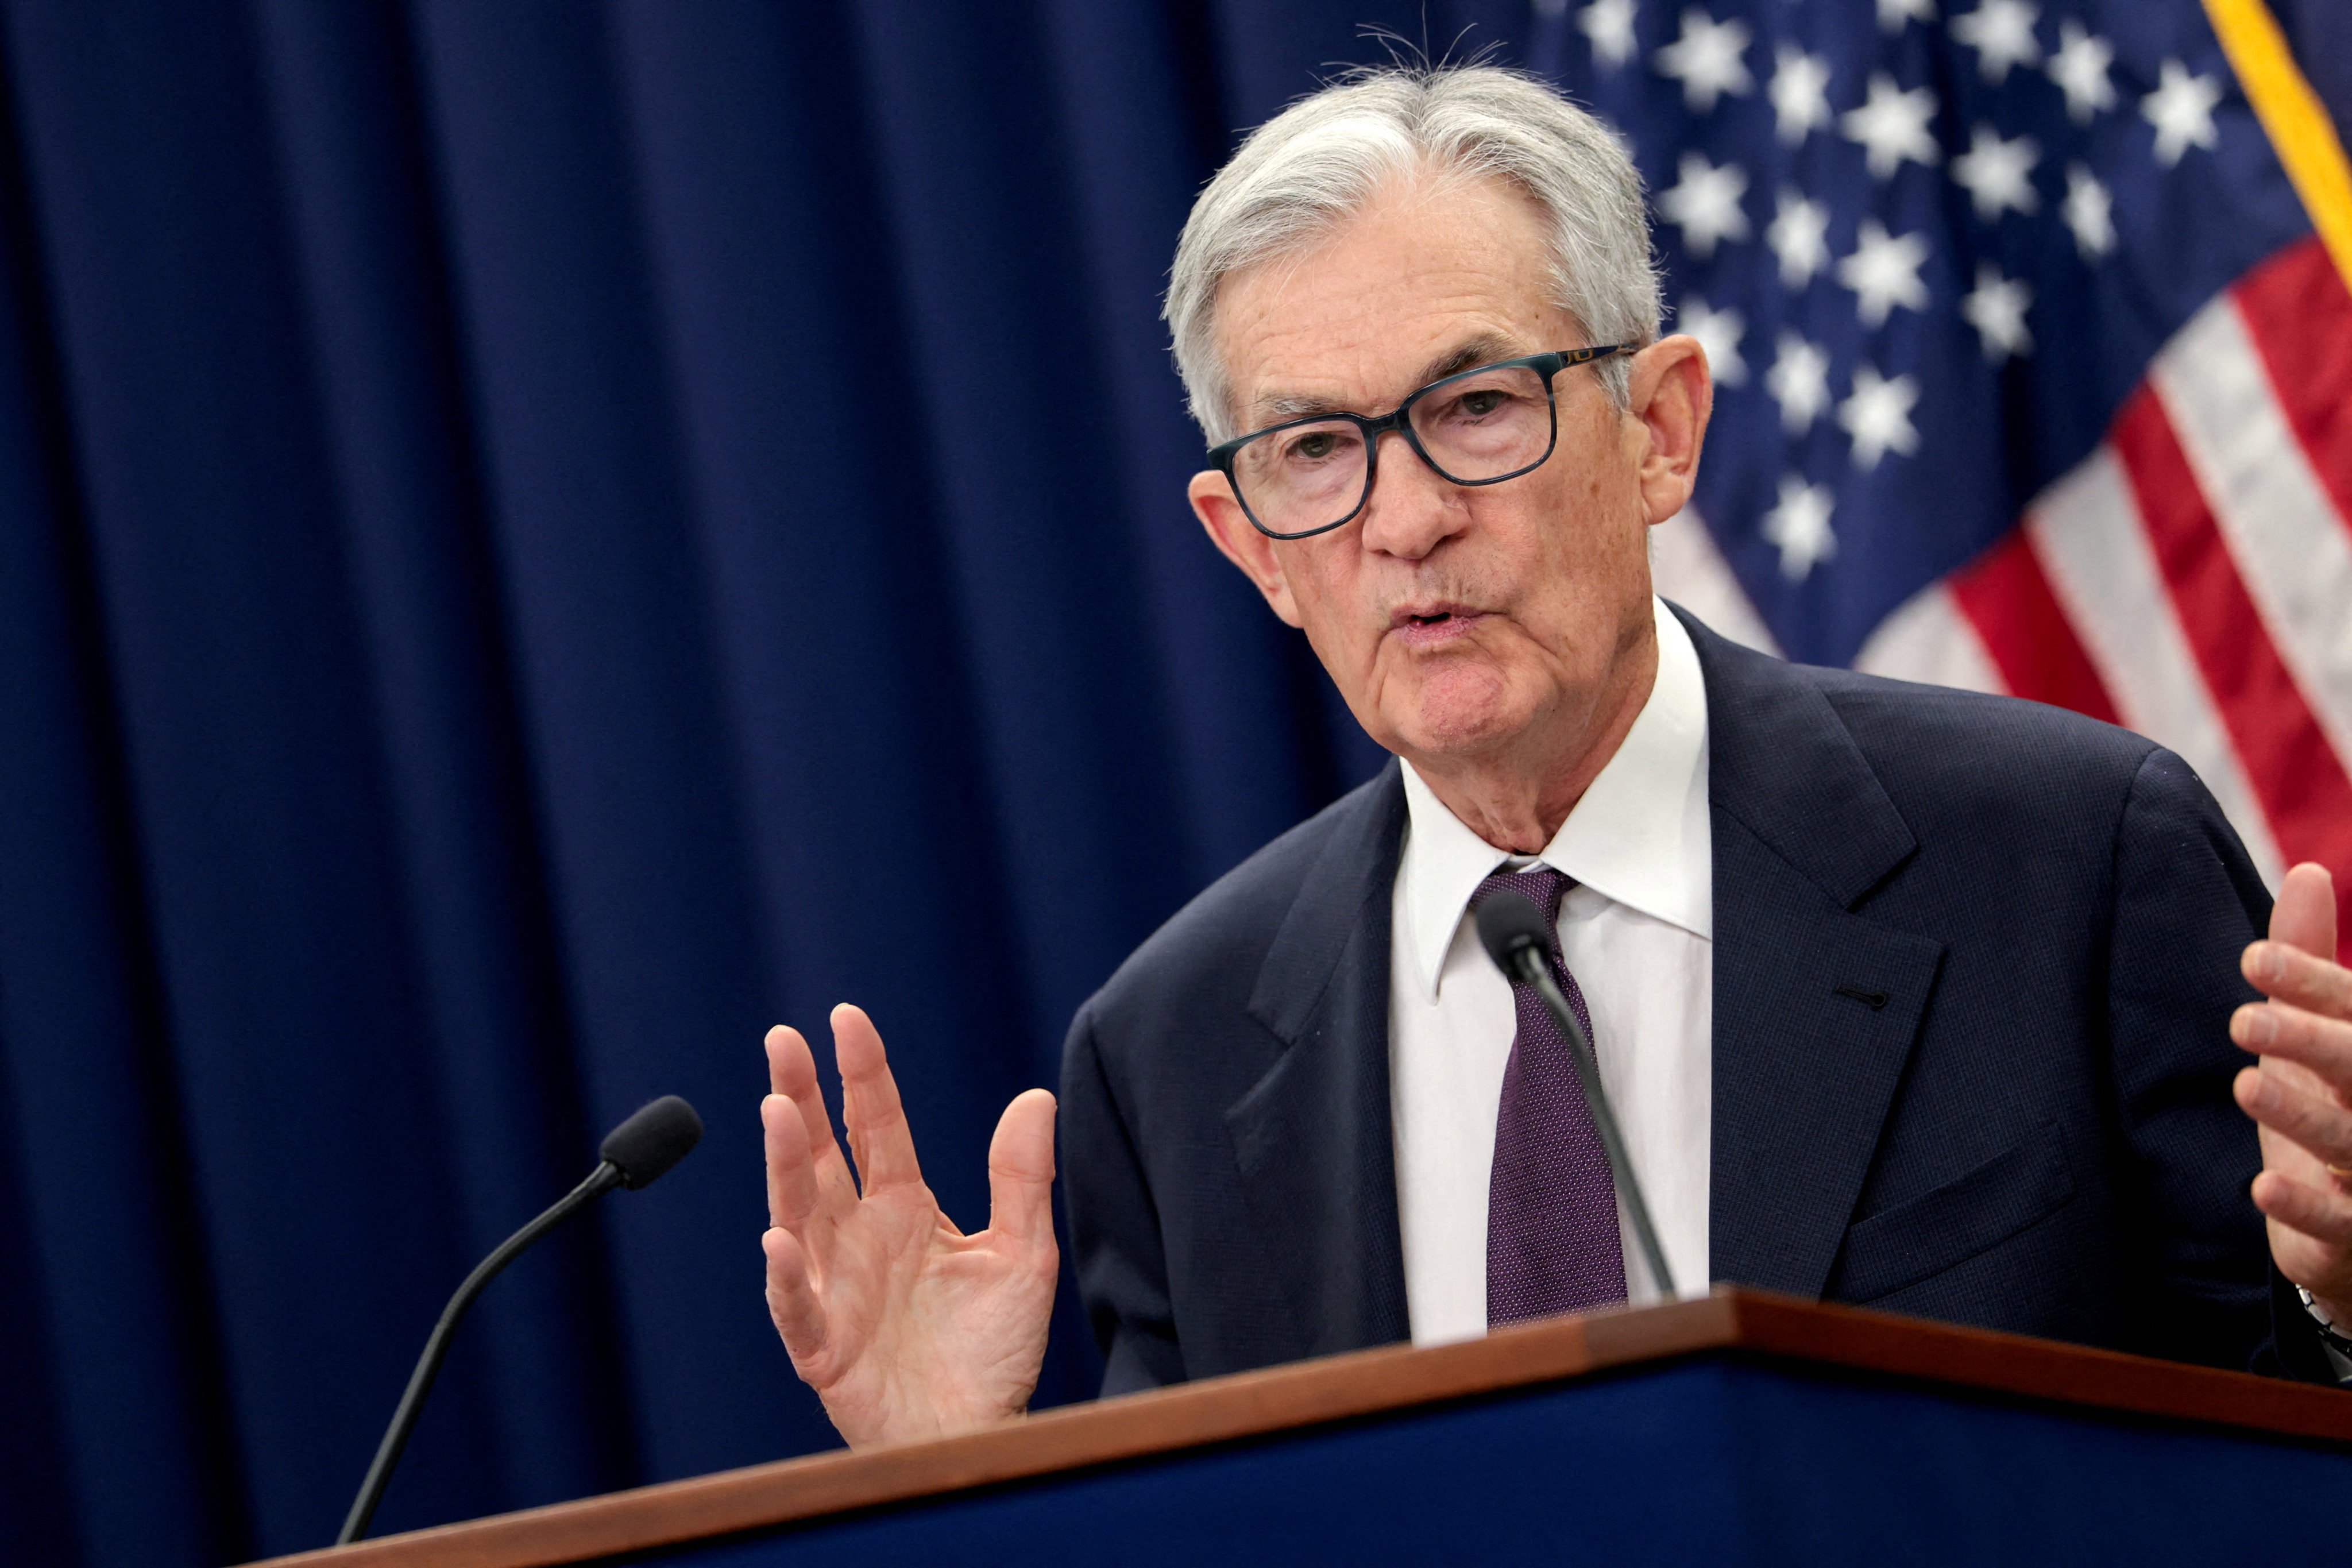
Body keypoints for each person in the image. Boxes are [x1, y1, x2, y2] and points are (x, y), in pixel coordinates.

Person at [755, 65, 2352, 1449]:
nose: (1404, 520)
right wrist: (955, 1485)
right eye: (1313, 448)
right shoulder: (1170, 1058)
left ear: (1658, 431)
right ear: (1248, 546)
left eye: (1474, 405)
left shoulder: (2070, 864)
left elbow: (2279, 1448)